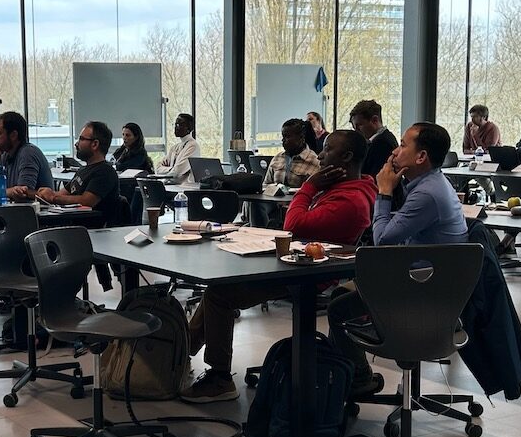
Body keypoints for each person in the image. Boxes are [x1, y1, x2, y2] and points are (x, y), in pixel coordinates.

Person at [182, 130, 378, 403]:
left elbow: (293, 224)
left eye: (328, 150)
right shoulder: (347, 188)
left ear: (346, 157)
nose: (320, 155)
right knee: (219, 286)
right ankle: (179, 354)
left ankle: (219, 378)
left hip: (306, 274)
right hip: (295, 262)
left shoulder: (351, 200)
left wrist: (309, 186)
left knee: (220, 295)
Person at [328, 122, 468, 394]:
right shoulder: (431, 183)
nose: (395, 150)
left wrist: (384, 192)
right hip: (436, 288)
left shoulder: (427, 193)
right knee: (341, 297)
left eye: (403, 144)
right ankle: (351, 378)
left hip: (421, 295)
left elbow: (382, 241)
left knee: (337, 309)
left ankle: (356, 380)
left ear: (421, 157)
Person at [37, 121, 120, 227]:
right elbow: (61, 194)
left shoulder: (105, 172)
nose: (76, 144)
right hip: (74, 228)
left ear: (95, 144)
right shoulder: (82, 170)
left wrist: (53, 198)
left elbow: (87, 201)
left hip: (91, 232)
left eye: (81, 139)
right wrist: (40, 194)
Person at [251, 118, 320, 228]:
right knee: (256, 203)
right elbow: (265, 184)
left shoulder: (314, 161)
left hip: (298, 205)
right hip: (274, 203)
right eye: (283, 137)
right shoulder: (278, 158)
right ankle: (259, 236)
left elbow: (317, 193)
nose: (284, 140)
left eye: (288, 137)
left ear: (301, 138)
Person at [0, 111, 54, 201]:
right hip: (18, 210)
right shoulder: (6, 154)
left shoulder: (28, 153)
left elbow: (22, 193)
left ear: (13, 135)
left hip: (35, 212)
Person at [349, 100, 397, 178]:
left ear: (374, 120)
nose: (356, 131)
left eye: (360, 125)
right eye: (355, 127)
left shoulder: (382, 144)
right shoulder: (385, 138)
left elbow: (374, 178)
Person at [154, 113, 200, 184]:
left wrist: (170, 171)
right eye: (175, 124)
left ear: (189, 128)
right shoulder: (175, 147)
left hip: (185, 187)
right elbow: (158, 168)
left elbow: (178, 171)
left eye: (179, 125)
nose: (175, 127)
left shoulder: (193, 146)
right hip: (171, 185)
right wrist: (172, 169)